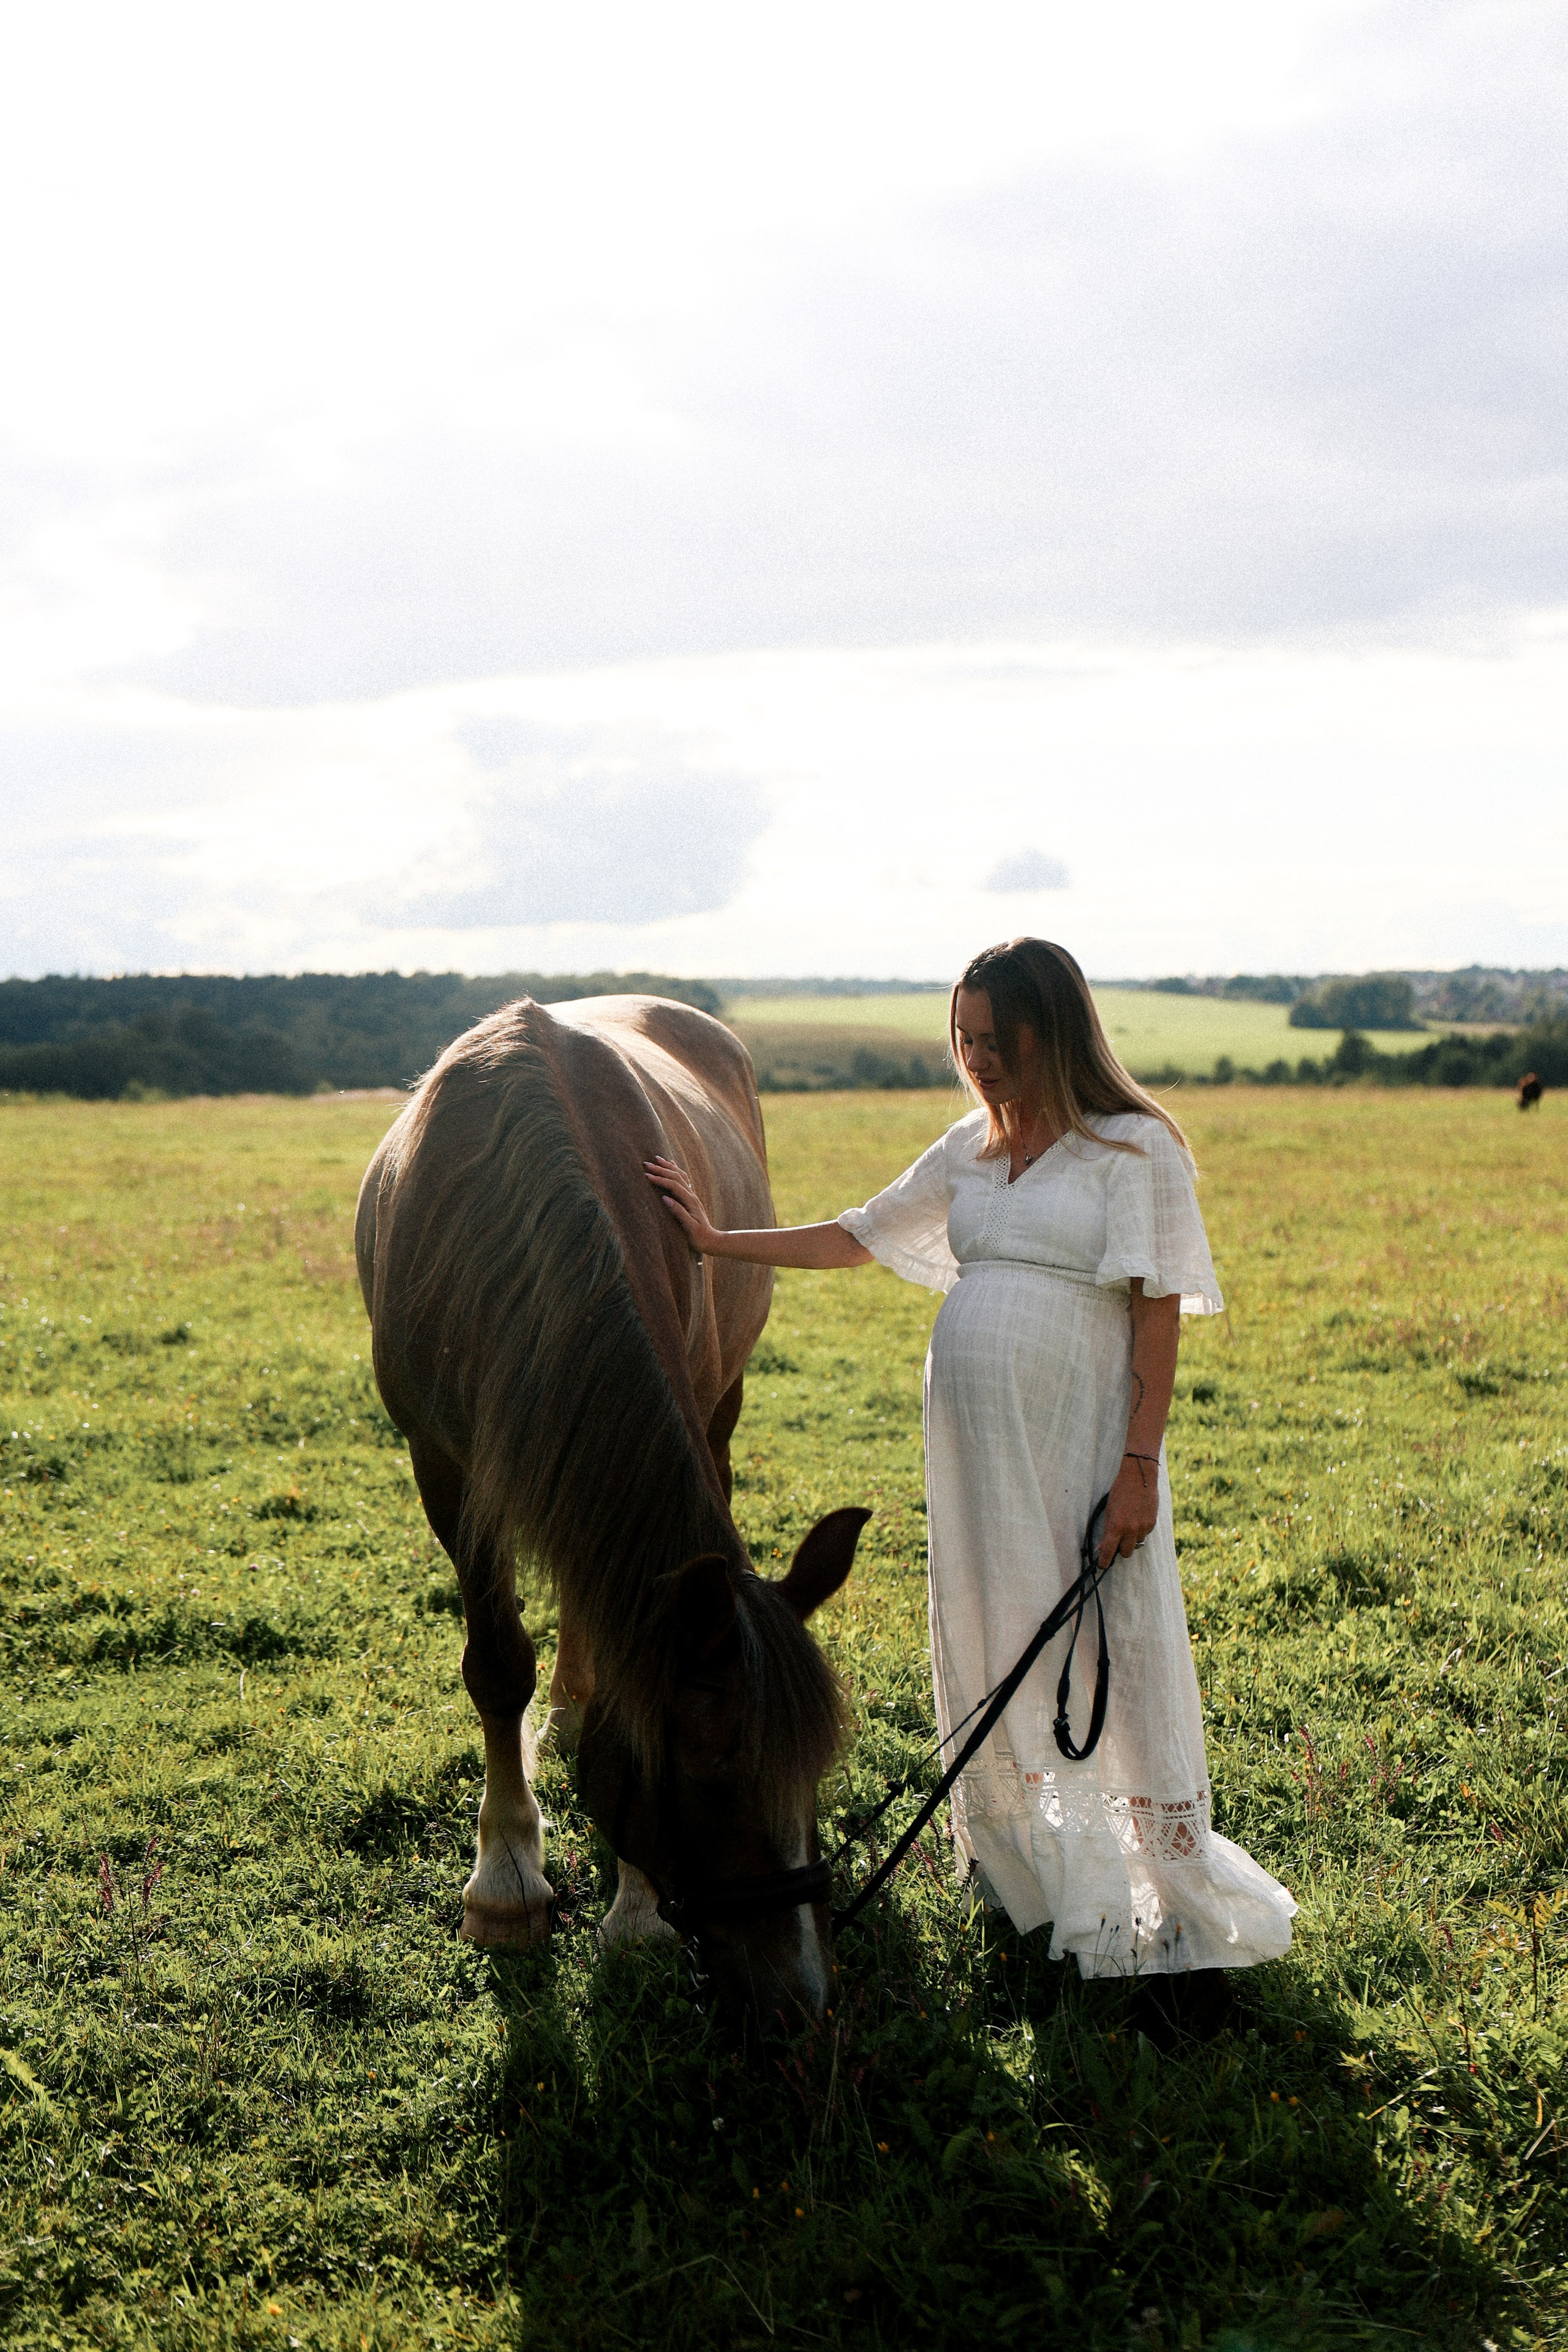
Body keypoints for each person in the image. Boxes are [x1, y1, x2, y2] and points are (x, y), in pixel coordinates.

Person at [646, 936, 1295, 2031]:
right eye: (965, 1039)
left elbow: (1153, 1314)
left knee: (1106, 1646)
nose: (979, 1059)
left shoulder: (1135, 1151)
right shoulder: (971, 1150)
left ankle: (1162, 1909)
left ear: (1056, 1031)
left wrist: (1138, 1468)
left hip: (1086, 1447)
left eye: (998, 1039)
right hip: (979, 1465)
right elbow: (858, 1236)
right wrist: (713, 1239)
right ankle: (1032, 1876)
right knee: (999, 1632)